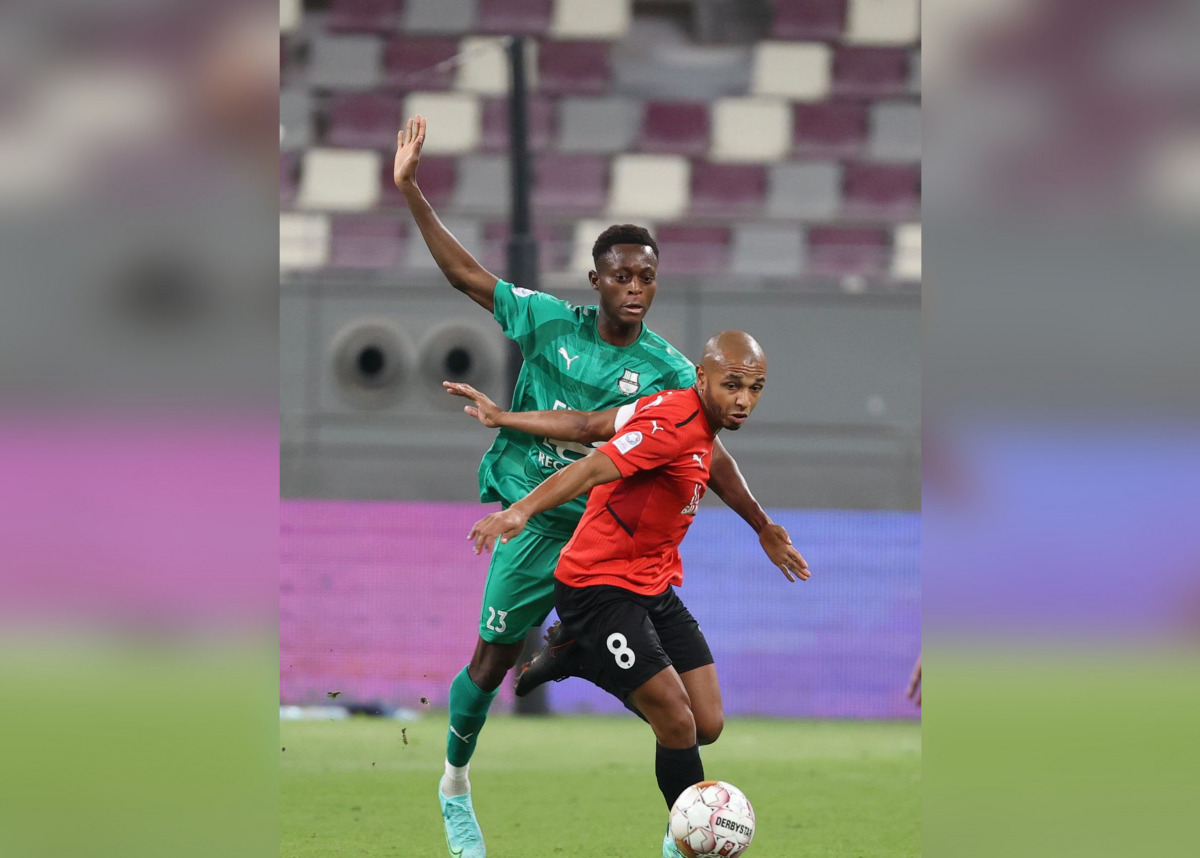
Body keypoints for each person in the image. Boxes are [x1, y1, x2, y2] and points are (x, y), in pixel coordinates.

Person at [394, 115, 809, 858]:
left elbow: (698, 454)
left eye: (646, 276)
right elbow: (467, 279)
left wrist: (760, 521)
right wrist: (412, 191)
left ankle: (669, 800)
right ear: (597, 280)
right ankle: (454, 784)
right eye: (621, 275)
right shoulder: (548, 320)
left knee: (688, 717)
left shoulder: (676, 372)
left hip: (606, 540)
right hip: (533, 524)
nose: (634, 288)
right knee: (491, 663)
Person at [466, 332, 806, 858]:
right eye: (732, 385)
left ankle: (576, 654)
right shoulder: (671, 425)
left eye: (755, 388)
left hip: (652, 584)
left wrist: (761, 525)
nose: (743, 399)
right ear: (701, 378)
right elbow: (591, 463)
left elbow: (593, 425)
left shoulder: (699, 424)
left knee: (706, 724)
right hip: (596, 587)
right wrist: (520, 511)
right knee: (675, 721)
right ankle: (684, 844)